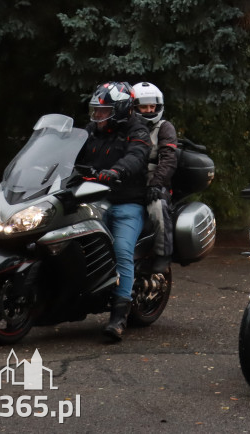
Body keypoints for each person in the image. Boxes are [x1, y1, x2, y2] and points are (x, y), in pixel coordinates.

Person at [78, 81, 151, 341]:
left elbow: (137, 155)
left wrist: (117, 171)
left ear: (120, 110)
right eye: (96, 111)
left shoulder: (137, 129)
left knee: (121, 250)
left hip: (126, 202)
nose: (97, 116)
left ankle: (119, 317)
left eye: (103, 111)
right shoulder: (91, 130)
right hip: (91, 199)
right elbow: (71, 152)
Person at [132, 82, 179, 274]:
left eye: (153, 106)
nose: (149, 110)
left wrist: (156, 183)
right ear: (134, 107)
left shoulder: (164, 127)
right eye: (144, 106)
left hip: (155, 180)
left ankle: (163, 253)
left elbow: (168, 159)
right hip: (129, 180)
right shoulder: (127, 127)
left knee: (158, 206)